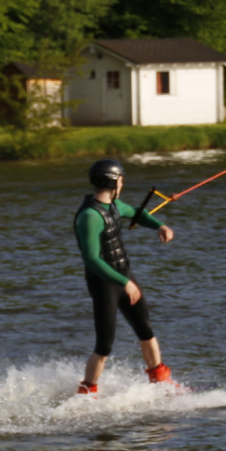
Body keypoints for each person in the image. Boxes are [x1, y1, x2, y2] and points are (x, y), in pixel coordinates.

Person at [73, 158, 177, 395]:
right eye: (121, 179)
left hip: (125, 277)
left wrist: (159, 226)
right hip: (104, 283)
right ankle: (87, 392)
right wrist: (124, 282)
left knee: (145, 328)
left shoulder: (114, 205)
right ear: (113, 182)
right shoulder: (89, 216)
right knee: (104, 345)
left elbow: (137, 213)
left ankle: (160, 380)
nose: (123, 183)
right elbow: (92, 260)